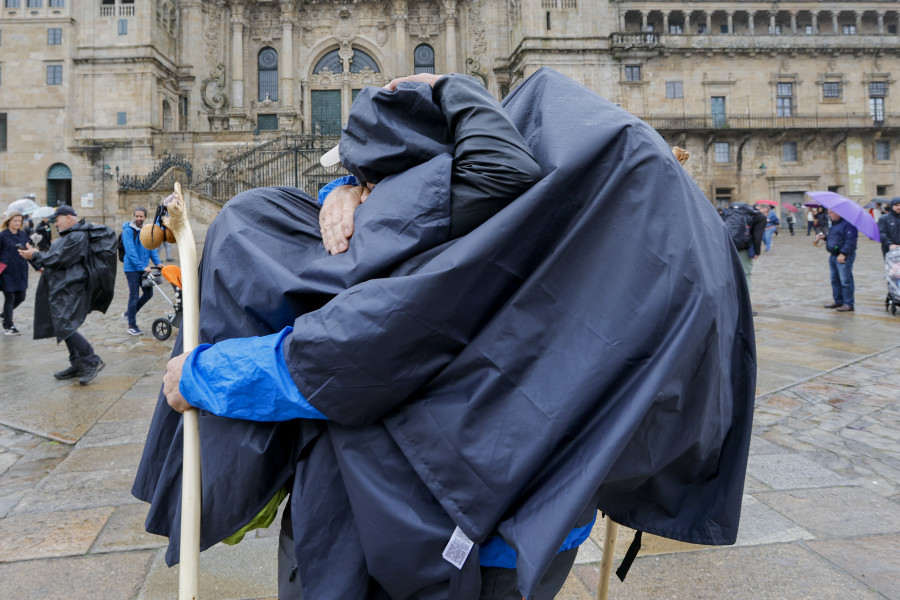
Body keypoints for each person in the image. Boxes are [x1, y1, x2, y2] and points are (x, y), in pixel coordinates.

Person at [135, 70, 755, 600]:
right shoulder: (587, 221)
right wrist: (347, 191)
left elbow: (351, 352)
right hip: (543, 515)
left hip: (446, 520)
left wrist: (204, 375)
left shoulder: (480, 237)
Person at [17, 205, 106, 384]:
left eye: (56, 219)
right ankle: (77, 363)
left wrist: (35, 255)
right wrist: (36, 255)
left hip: (70, 287)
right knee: (61, 324)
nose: (55, 223)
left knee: (64, 325)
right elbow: (55, 256)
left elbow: (60, 259)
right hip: (60, 286)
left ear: (68, 217)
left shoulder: (78, 236)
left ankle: (92, 359)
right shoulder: (69, 235)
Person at [121, 206, 163, 335]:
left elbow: (151, 248)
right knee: (133, 296)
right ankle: (131, 325)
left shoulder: (147, 230)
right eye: (137, 216)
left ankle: (130, 312)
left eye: (141, 216)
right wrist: (141, 266)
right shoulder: (127, 231)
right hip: (132, 269)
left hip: (144, 268)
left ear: (145, 217)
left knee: (148, 293)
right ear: (134, 216)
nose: (139, 219)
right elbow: (130, 251)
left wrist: (158, 262)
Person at [818, 208, 858, 312]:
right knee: (835, 280)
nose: (829, 215)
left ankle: (848, 303)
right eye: (829, 212)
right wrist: (825, 237)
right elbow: (836, 237)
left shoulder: (849, 224)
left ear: (839, 213)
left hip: (843, 256)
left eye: (831, 213)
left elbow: (850, 241)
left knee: (845, 280)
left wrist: (843, 253)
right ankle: (838, 301)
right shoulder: (835, 224)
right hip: (833, 255)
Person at [0, 212, 30, 335]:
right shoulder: (2, 236)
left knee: (21, 296)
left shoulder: (23, 235)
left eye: (19, 221)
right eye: (15, 221)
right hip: (6, 271)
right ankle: (8, 326)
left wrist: (38, 267)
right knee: (10, 297)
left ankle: (5, 315)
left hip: (21, 270)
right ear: (9, 222)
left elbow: (27, 251)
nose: (17, 223)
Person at [724, 202, 766, 293]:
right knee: (745, 274)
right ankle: (745, 300)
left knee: (730, 273)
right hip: (744, 248)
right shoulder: (760, 217)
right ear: (765, 210)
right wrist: (757, 252)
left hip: (728, 246)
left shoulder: (731, 214)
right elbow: (757, 236)